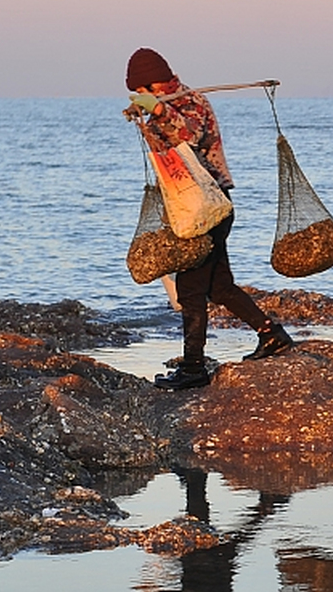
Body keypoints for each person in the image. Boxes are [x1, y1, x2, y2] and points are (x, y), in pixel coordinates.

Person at [125, 47, 294, 388]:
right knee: (219, 286)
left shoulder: (191, 102)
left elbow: (188, 136)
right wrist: (146, 116)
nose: (137, 95)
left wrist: (158, 110)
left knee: (190, 290)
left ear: (149, 84)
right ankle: (272, 335)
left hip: (208, 206)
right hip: (193, 207)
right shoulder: (167, 104)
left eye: (140, 90)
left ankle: (193, 369)